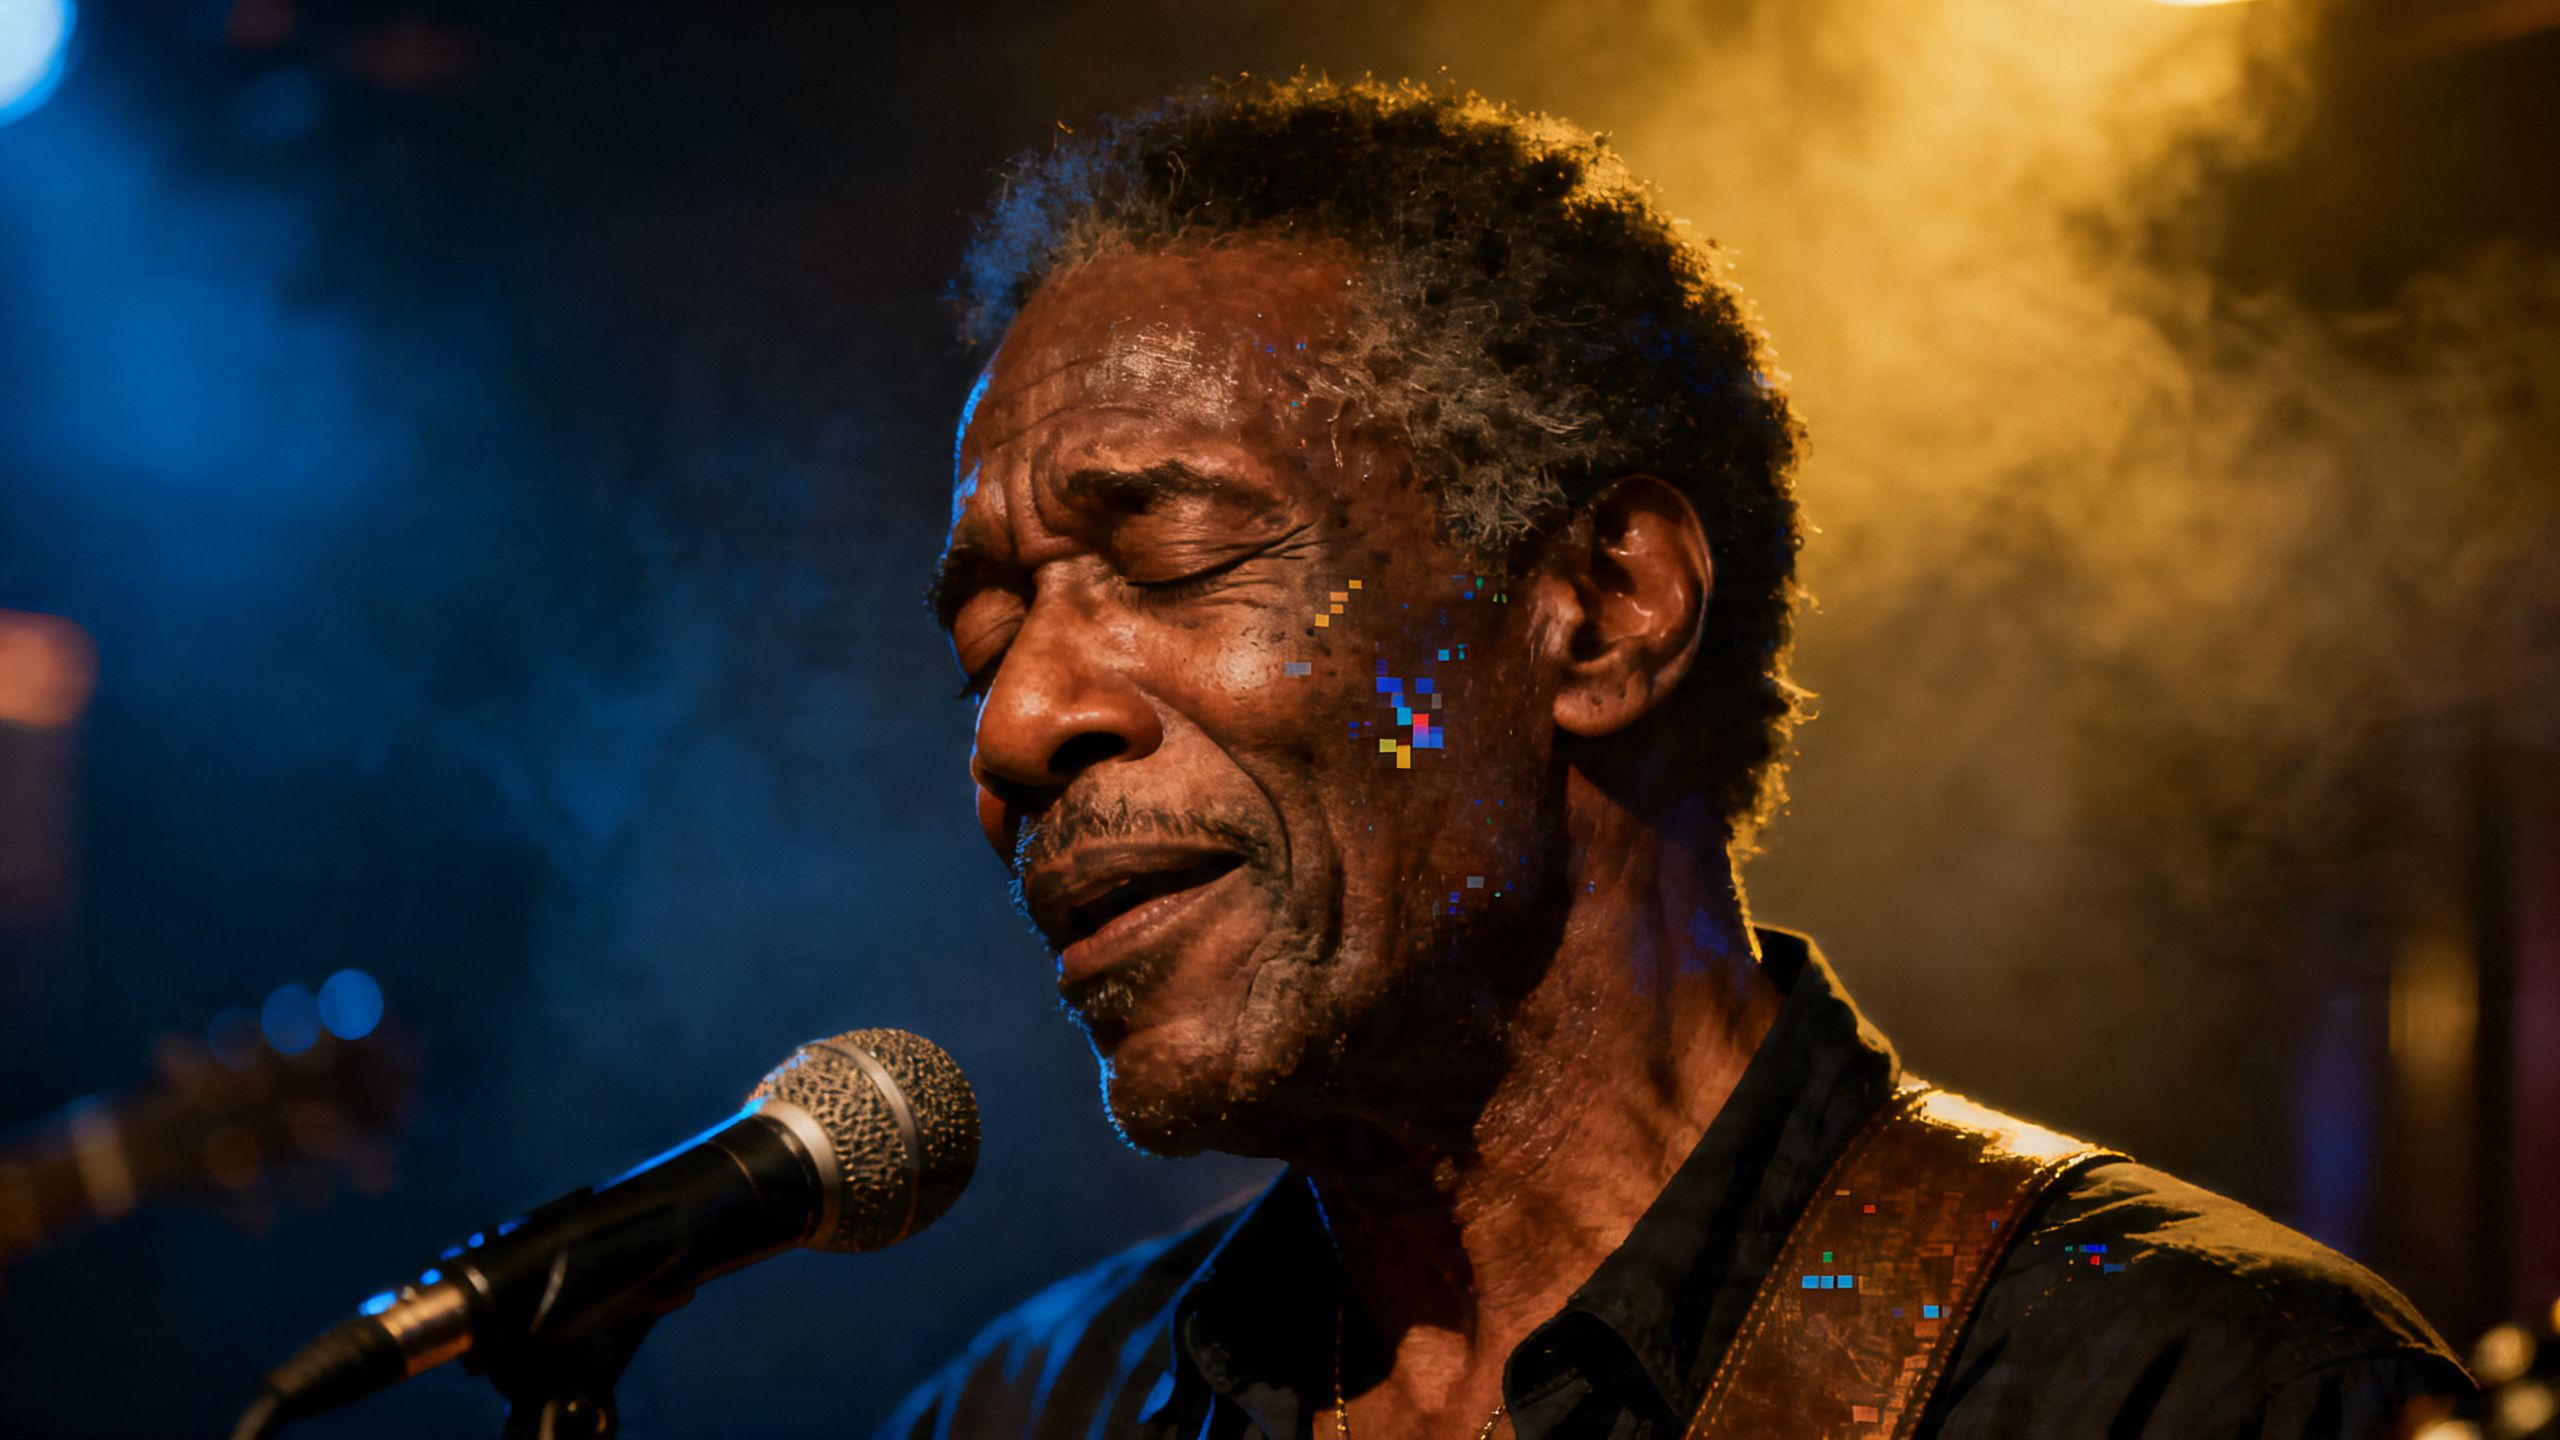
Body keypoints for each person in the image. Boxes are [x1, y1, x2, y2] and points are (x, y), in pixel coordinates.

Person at [884, 76, 2473, 1440]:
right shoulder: (1024, 1409)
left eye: (1166, 558)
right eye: (983, 646)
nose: (1018, 728)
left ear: (1602, 609)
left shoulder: (2193, 1392)